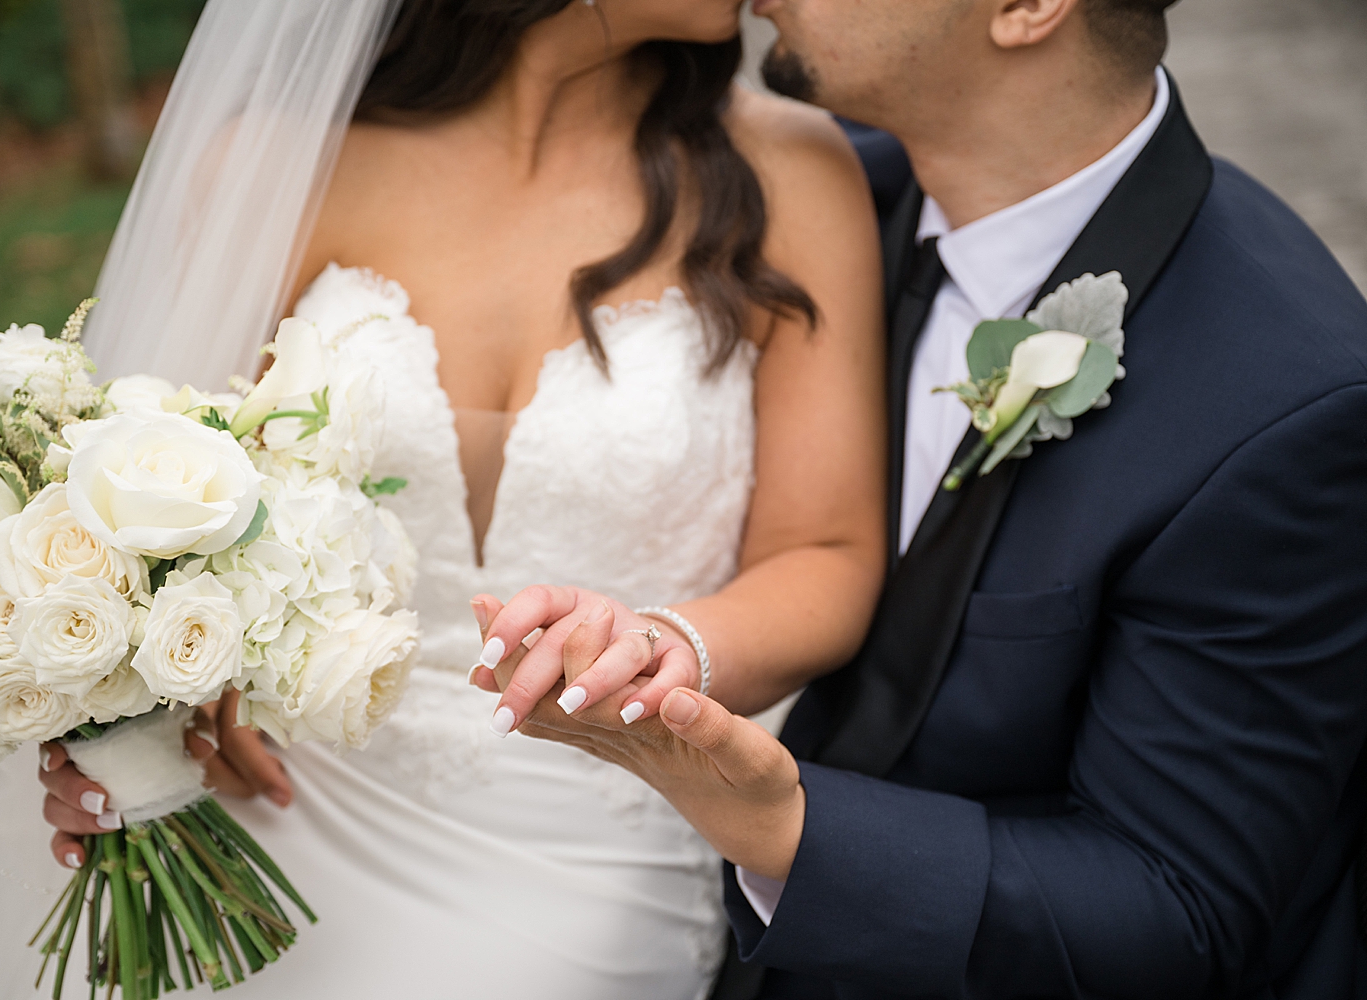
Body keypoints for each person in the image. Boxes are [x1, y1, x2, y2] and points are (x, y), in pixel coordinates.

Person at [6, 2, 890, 999]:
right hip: (261, 814)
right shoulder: (276, 163)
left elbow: (829, 547)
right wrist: (149, 698)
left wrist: (663, 641)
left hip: (593, 835)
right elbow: (135, 491)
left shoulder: (793, 172)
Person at [493, 0, 1367, 997]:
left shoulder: (1287, 408)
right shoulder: (812, 184)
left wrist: (790, 830)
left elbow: (1181, 909)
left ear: (1027, 10)